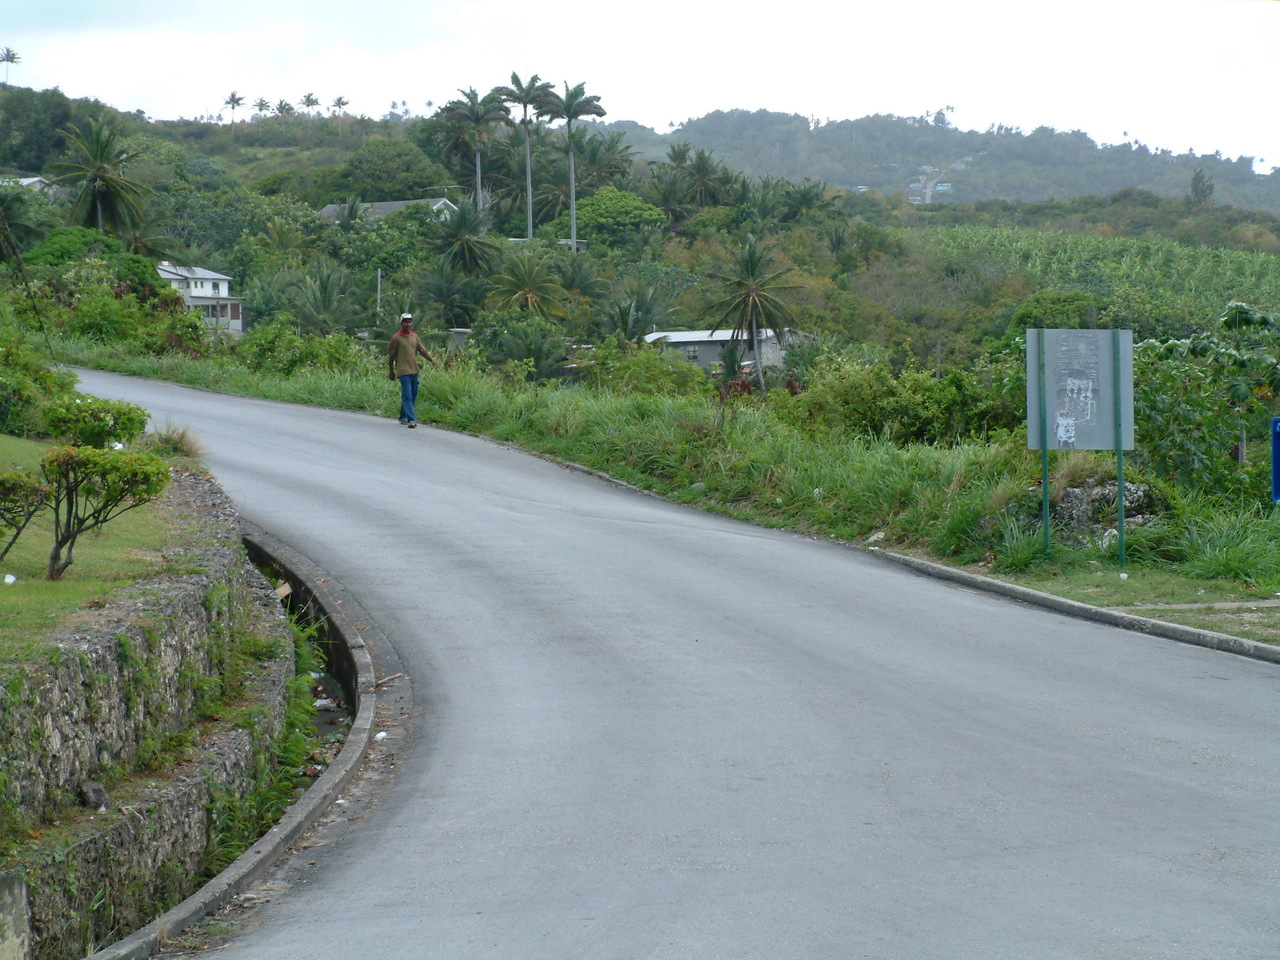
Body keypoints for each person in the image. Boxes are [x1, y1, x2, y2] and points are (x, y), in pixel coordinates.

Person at [387, 313, 435, 428]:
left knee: (413, 395)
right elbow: (391, 356)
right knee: (407, 395)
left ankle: (403, 416)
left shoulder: (415, 336)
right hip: (403, 371)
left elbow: (422, 350)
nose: (407, 324)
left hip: (414, 370)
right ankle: (412, 419)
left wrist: (431, 361)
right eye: (405, 322)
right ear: (401, 323)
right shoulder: (396, 338)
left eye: (409, 322)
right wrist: (391, 371)